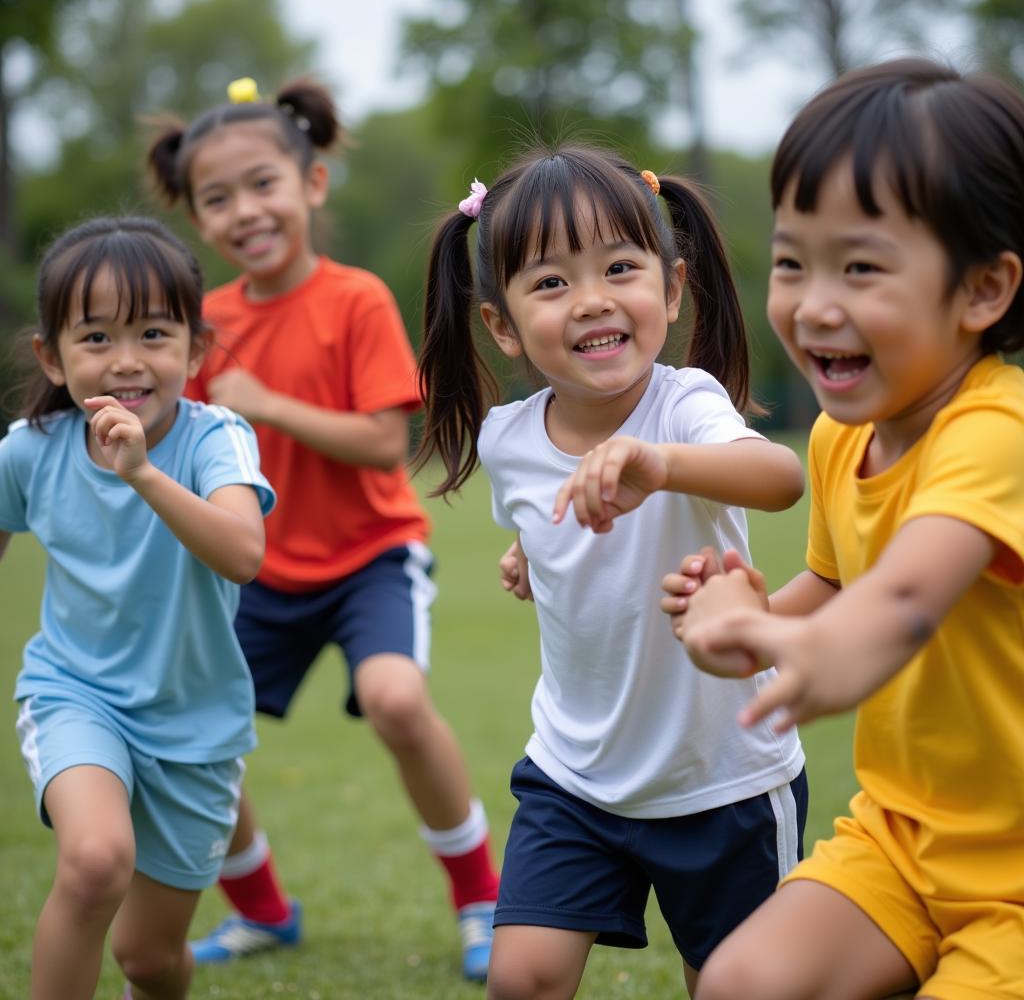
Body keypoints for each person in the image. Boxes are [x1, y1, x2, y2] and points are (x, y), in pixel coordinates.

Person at [664, 59, 1024, 1000]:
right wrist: (742, 621)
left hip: (1019, 876)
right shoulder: (838, 436)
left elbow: (900, 602)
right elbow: (831, 595)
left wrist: (812, 650)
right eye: (793, 262)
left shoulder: (996, 433)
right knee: (739, 981)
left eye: (860, 266)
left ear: (984, 290)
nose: (814, 303)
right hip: (901, 837)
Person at [414, 144, 809, 1000]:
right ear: (503, 324)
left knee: (735, 986)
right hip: (576, 773)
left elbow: (779, 479)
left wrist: (659, 465)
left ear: (669, 289)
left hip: (724, 777)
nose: (592, 300)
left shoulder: (686, 402)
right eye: (551, 282)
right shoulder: (508, 438)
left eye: (619, 268)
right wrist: (535, 557)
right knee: (522, 978)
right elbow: (545, 521)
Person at [146, 76, 501, 982]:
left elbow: (386, 445)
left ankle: (481, 900)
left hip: (369, 559)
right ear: (197, 219)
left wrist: (268, 403)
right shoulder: (205, 324)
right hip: (255, 571)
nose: (243, 211)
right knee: (187, 730)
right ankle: (264, 913)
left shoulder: (355, 301)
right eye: (215, 199)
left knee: (395, 701)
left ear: (310, 184)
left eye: (262, 184)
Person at [0, 216, 275, 1000]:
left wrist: (143, 474)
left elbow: (242, 553)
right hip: (76, 695)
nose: (126, 361)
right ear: (52, 357)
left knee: (150, 961)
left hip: (197, 727)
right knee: (93, 864)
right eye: (95, 338)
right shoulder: (29, 451)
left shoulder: (216, 438)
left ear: (194, 348)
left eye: (154, 333)